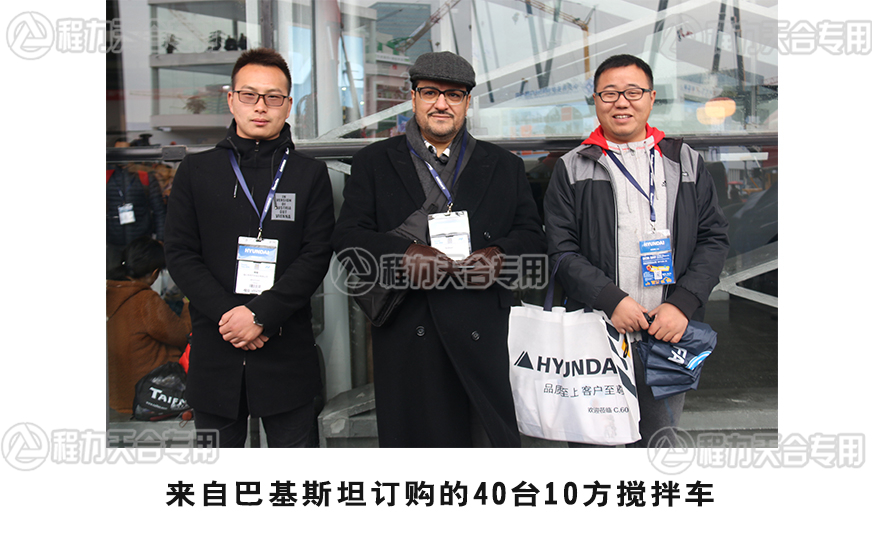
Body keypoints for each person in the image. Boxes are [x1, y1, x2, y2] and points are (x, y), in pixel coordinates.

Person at [332, 51, 546, 447]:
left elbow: (533, 237)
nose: (441, 104)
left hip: (484, 331)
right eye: (430, 92)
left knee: (485, 454)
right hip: (407, 333)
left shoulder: (505, 166)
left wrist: (499, 257)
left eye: (454, 94)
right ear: (413, 97)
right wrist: (405, 257)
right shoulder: (373, 162)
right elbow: (347, 239)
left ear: (467, 102)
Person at [543, 54, 729, 447]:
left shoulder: (684, 161)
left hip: (668, 333)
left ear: (651, 97)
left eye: (633, 92)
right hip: (598, 334)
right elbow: (560, 251)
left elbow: (713, 238)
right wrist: (611, 300)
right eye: (609, 93)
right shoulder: (573, 167)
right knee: (595, 444)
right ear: (596, 100)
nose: (621, 102)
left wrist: (683, 304)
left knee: (659, 441)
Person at [163, 48, 335, 448]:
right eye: (249, 95)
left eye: (273, 97)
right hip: (216, 347)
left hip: (285, 350)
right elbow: (180, 253)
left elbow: (315, 255)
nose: (261, 107)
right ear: (231, 99)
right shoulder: (196, 171)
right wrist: (231, 315)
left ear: (288, 105)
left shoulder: (309, 174)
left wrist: (260, 314)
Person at [107, 237, 191, 414]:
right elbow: (182, 333)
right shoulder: (145, 301)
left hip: (115, 397)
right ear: (154, 273)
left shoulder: (109, 292)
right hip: (149, 395)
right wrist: (187, 304)